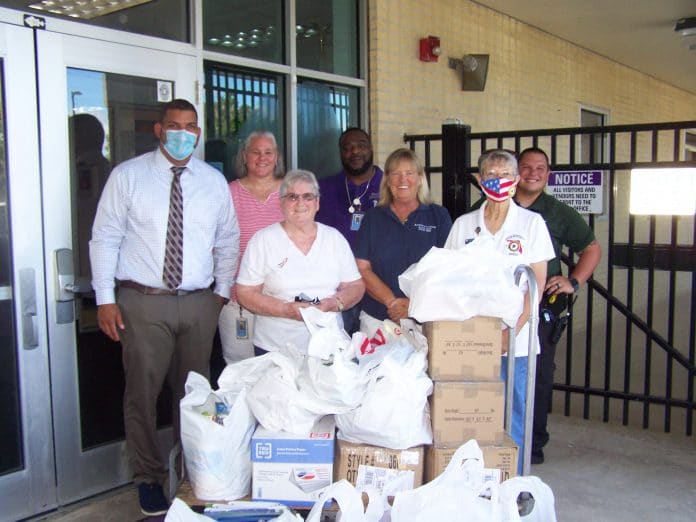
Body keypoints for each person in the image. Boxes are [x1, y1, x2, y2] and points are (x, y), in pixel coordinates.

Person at [89, 99, 239, 516]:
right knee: (142, 392)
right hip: (143, 302)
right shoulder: (128, 177)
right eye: (174, 125)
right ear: (158, 130)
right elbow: (105, 237)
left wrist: (221, 293)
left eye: (191, 126)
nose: (182, 133)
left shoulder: (212, 182)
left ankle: (193, 473)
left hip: (198, 303)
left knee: (193, 395)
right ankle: (149, 478)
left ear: (198, 132)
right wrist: (104, 298)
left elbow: (228, 240)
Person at [445, 149, 554, 473]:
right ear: (479, 181)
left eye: (505, 175)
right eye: (490, 175)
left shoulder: (531, 224)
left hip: (515, 343)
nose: (498, 181)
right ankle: (472, 478)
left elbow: (534, 285)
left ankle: (513, 478)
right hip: (470, 342)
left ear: (516, 180)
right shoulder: (464, 225)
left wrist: (510, 335)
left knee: (513, 414)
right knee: (471, 415)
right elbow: (447, 278)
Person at [516, 147, 601, 464]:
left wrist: (574, 281)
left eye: (540, 168)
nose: (533, 172)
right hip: (499, 306)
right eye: (526, 166)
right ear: (516, 171)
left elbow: (591, 248)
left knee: (536, 375)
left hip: (541, 306)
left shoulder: (557, 211)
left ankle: (532, 445)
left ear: (547, 174)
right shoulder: (493, 205)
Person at [236, 169, 365, 354]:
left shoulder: (334, 239)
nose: (300, 203)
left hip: (328, 346)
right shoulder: (263, 240)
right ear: (281, 203)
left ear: (317, 203)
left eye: (307, 197)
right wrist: (285, 309)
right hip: (274, 348)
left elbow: (356, 286)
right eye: (292, 197)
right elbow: (245, 293)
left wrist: (336, 302)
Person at [354, 148, 452, 334]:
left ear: (420, 178)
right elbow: (362, 268)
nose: (403, 180)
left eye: (409, 173)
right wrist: (392, 302)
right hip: (377, 320)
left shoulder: (438, 216)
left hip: (424, 320)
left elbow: (446, 270)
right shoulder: (373, 218)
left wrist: (412, 305)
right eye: (396, 174)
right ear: (388, 180)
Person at [217, 131, 284, 364]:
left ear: (277, 157)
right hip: (238, 300)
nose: (262, 157)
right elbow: (217, 243)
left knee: (280, 367)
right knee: (240, 368)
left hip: (281, 300)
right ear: (244, 156)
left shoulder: (291, 193)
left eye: (268, 152)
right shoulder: (228, 192)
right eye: (255, 151)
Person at [316, 128, 384, 333]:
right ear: (340, 153)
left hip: (379, 292)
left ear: (371, 148)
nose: (355, 151)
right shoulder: (323, 189)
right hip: (336, 291)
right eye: (348, 148)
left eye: (361, 145)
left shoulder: (389, 185)